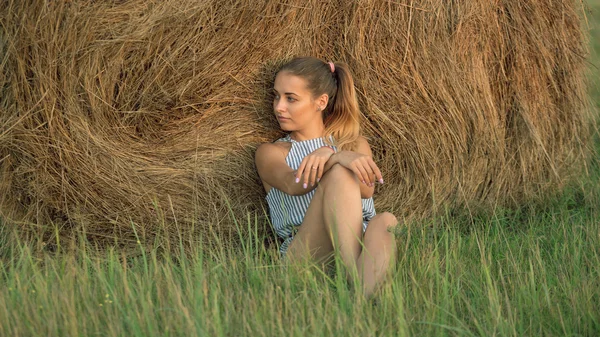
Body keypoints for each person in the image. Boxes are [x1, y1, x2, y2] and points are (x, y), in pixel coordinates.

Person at [255, 57, 397, 297]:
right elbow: (293, 184)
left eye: (291, 98)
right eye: (276, 96)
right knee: (340, 173)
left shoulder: (355, 144)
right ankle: (353, 276)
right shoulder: (272, 152)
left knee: (386, 221)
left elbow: (366, 190)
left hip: (358, 237)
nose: (279, 106)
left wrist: (333, 153)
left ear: (320, 102)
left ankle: (361, 302)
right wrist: (334, 158)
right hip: (307, 250)